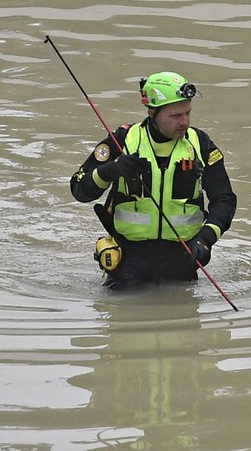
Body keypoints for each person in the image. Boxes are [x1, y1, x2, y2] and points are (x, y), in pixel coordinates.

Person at [70, 71, 236, 290]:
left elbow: (224, 199)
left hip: (183, 259)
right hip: (128, 263)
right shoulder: (124, 140)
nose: (184, 122)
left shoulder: (200, 144)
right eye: (175, 116)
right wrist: (110, 171)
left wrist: (206, 238)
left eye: (188, 113)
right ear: (152, 112)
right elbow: (79, 190)